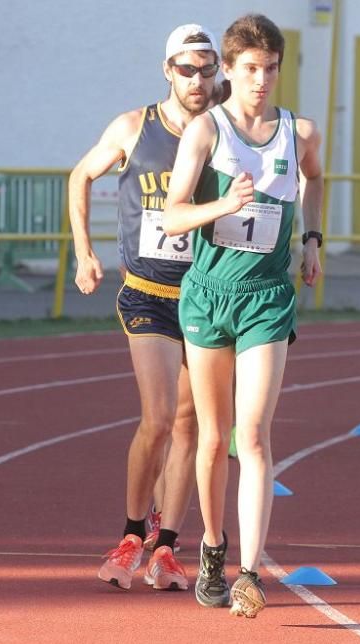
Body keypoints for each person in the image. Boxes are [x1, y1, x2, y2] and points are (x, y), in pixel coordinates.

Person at [162, 13, 324, 618]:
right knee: (211, 436)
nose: (261, 80)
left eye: (271, 69)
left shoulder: (299, 132)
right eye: (250, 69)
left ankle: (251, 572)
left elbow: (314, 179)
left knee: (251, 435)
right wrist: (221, 205)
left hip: (266, 298)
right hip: (207, 294)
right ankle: (210, 545)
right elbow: (173, 215)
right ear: (228, 71)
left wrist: (311, 239)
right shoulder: (207, 132)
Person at [68, 24, 222, 592]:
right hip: (148, 293)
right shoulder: (135, 127)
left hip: (206, 294)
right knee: (157, 420)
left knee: (192, 425)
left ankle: (167, 547)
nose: (198, 80)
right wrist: (84, 252)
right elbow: (81, 174)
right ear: (168, 71)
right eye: (188, 69)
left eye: (208, 70)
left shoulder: (224, 132)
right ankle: (133, 532)